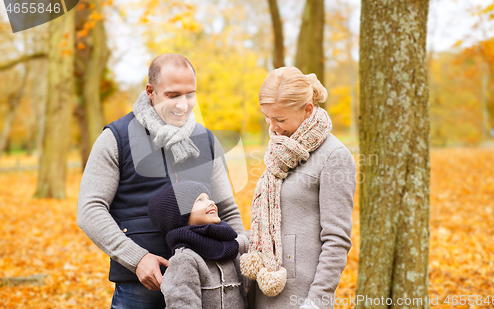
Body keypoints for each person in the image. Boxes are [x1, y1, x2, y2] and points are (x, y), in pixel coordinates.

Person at [77, 54, 246, 309]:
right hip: (141, 287)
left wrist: (241, 261)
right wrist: (138, 259)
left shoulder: (207, 140)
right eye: (173, 95)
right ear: (151, 92)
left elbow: (228, 209)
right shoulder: (116, 138)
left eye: (190, 94)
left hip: (205, 285)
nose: (184, 104)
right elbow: (89, 210)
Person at [239, 67, 357, 309]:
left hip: (301, 298)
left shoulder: (334, 156)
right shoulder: (281, 151)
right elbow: (271, 224)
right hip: (263, 289)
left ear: (308, 110)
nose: (272, 127)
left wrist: (317, 301)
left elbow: (337, 239)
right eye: (267, 117)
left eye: (280, 119)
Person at [147, 181, 249, 309]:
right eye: (199, 200)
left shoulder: (229, 248)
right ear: (181, 216)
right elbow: (182, 305)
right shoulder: (184, 259)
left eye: (208, 198)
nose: (210, 202)